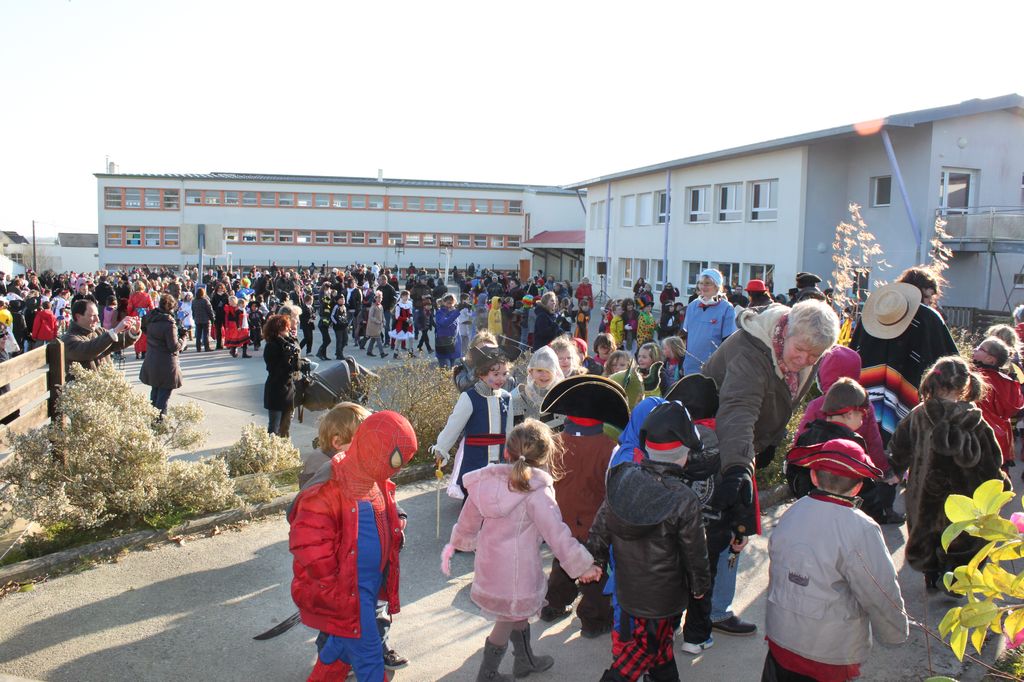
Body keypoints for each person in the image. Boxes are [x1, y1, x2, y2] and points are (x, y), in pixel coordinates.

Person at [683, 299, 840, 653]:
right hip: (711, 445)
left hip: (739, 445)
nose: (804, 360)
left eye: (814, 356)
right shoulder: (751, 351)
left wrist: (768, 441)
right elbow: (737, 411)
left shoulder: (797, 346)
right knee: (717, 529)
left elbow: (781, 397)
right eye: (800, 351)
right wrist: (739, 467)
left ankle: (716, 609)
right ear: (786, 332)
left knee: (732, 530)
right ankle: (695, 610)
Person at [441, 420, 602, 682]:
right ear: (545, 457)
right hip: (517, 569)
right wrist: (582, 565)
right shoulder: (537, 491)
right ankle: (487, 674)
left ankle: (524, 660)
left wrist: (463, 539)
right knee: (507, 617)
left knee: (517, 611)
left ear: (507, 452)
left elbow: (468, 519)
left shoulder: (486, 483)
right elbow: (557, 533)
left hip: (490, 563)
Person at [586, 402, 712, 682]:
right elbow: (695, 552)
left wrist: (594, 558)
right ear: (685, 455)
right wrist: (700, 586)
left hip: (628, 587)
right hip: (662, 598)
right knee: (644, 649)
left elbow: (601, 525)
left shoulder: (623, 476)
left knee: (660, 648)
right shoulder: (683, 499)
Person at [764, 438, 908, 681]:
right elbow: (879, 590)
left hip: (781, 637)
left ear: (813, 476)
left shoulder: (793, 512)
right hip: (827, 652)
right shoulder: (861, 528)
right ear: (858, 487)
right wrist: (894, 631)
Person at [289, 411, 416, 681]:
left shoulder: (375, 479)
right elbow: (309, 543)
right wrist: (334, 587)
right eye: (395, 460)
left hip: (367, 587)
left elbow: (385, 517)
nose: (397, 469)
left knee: (339, 649)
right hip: (348, 592)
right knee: (369, 659)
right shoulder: (329, 488)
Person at [889, 355, 1006, 590]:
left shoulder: (919, 415)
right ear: (966, 386)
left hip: (925, 492)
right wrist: (998, 485)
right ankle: (956, 576)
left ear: (933, 381)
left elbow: (900, 445)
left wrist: (896, 469)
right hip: (965, 493)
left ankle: (931, 574)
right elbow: (991, 460)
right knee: (962, 533)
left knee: (926, 530)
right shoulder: (975, 421)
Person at [539, 377, 625, 638]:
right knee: (596, 570)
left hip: (560, 519)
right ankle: (593, 619)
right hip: (594, 523)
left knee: (563, 559)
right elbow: (612, 487)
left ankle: (553, 604)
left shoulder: (553, 442)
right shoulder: (610, 447)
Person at [792, 345, 901, 524]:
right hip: (852, 478)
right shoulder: (863, 406)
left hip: (818, 479)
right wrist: (884, 471)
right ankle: (882, 513)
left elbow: (801, 440)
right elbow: (873, 443)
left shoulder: (816, 405)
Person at [851, 270, 958, 443]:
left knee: (866, 441)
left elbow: (854, 352)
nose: (929, 303)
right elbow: (949, 361)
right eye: (927, 297)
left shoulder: (873, 313)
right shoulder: (927, 317)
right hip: (912, 389)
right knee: (904, 443)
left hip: (866, 393)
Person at [431, 345, 512, 497]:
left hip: (500, 463)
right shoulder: (469, 397)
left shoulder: (507, 398)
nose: (501, 378)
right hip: (475, 462)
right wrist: (441, 448)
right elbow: (454, 426)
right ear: (481, 374)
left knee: (497, 503)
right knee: (472, 503)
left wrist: (512, 453)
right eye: (495, 374)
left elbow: (509, 430)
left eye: (504, 374)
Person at [972, 336, 1024, 468]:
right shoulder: (1008, 382)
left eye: (980, 348)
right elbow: (1014, 408)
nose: (975, 349)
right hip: (1002, 439)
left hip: (978, 435)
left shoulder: (976, 378)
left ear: (991, 359)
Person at [682, 268, 737, 375]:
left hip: (713, 369)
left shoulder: (726, 308)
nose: (703, 287)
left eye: (707, 283)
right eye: (701, 283)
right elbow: (686, 335)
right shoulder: (692, 306)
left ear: (717, 286)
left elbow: (729, 342)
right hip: (690, 366)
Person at [61, 299, 140, 373]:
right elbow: (89, 350)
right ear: (78, 316)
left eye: (97, 315)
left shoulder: (99, 331)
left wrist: (133, 332)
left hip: (106, 381)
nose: (97, 320)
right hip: (83, 383)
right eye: (92, 316)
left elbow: (117, 341)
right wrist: (115, 331)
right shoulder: (67, 339)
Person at [139, 294, 184, 415]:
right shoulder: (168, 323)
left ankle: (152, 419)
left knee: (155, 393)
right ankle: (159, 422)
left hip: (152, 359)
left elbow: (143, 328)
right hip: (166, 363)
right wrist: (182, 340)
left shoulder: (151, 318)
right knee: (163, 397)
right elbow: (173, 346)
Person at [263, 314, 305, 438]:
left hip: (289, 389)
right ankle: (273, 448)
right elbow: (274, 369)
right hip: (276, 390)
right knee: (274, 427)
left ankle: (284, 446)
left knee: (286, 426)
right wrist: (286, 358)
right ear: (278, 329)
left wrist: (295, 355)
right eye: (286, 327)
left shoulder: (289, 342)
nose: (288, 329)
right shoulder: (271, 346)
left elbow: (296, 366)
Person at [507, 346, 565, 432]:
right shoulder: (517, 397)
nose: (544, 375)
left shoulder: (562, 398)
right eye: (539, 370)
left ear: (555, 372)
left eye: (548, 370)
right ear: (531, 371)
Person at [434, 293, 461, 368]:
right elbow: (445, 323)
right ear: (443, 302)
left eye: (451, 302)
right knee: (445, 372)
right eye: (448, 302)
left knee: (452, 372)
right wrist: (456, 311)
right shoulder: (440, 312)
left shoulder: (454, 312)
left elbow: (457, 331)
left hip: (453, 347)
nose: (450, 304)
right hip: (443, 346)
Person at [191, 287, 214, 352]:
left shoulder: (194, 301)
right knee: (205, 334)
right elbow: (209, 310)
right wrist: (212, 318)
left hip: (197, 319)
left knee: (198, 334)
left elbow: (193, 310)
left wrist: (194, 317)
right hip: (205, 319)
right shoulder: (205, 301)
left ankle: (198, 348)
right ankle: (207, 347)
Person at [364, 291, 386, 358]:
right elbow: (371, 317)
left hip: (378, 326)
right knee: (378, 339)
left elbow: (382, 314)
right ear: (375, 298)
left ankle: (369, 351)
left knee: (373, 339)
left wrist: (383, 321)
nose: (379, 299)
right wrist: (377, 321)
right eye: (378, 298)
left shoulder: (381, 306)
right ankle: (382, 353)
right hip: (373, 326)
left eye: (381, 298)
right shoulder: (373, 306)